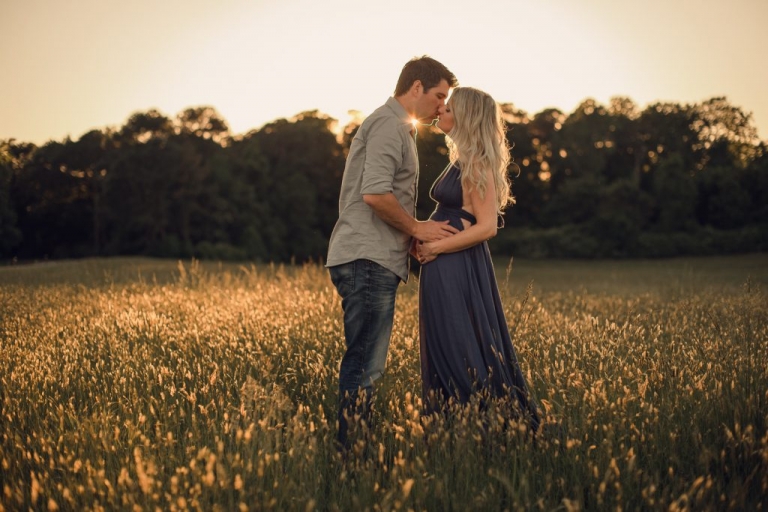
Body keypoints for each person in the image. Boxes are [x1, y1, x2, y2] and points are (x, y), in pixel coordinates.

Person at [326, 56, 459, 449]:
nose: (440, 106)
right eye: (438, 96)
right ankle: (353, 456)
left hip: (373, 255)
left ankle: (353, 450)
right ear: (415, 87)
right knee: (366, 364)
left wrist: (411, 239)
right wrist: (416, 227)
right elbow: (375, 194)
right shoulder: (388, 125)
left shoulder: (398, 128)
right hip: (367, 258)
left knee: (365, 360)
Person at [416, 87, 540, 432]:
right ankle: (450, 424)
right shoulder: (461, 160)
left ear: (466, 117)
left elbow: (486, 228)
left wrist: (436, 247)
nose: (440, 111)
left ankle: (488, 425)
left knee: (460, 340)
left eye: (449, 108)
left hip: (456, 263)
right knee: (442, 338)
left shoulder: (477, 164)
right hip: (442, 261)